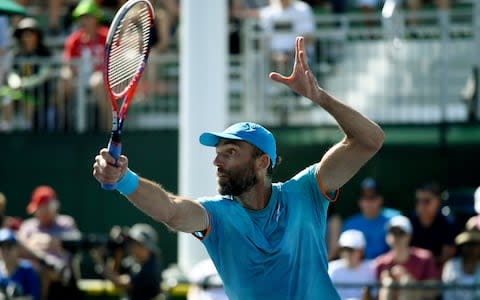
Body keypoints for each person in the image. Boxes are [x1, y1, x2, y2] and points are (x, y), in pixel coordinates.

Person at [93, 36, 385, 299]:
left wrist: (320, 97)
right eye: (218, 153)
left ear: (262, 162)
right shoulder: (216, 215)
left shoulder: (306, 190)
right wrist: (124, 179)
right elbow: (170, 209)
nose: (217, 161)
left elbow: (369, 140)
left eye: (230, 152)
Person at [17, 185, 82, 300]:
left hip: (61, 280)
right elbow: (19, 248)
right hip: (31, 278)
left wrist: (38, 241)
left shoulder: (66, 223)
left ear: (53, 207)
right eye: (38, 208)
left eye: (43, 207)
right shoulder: (28, 226)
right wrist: (49, 243)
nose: (39, 212)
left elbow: (75, 244)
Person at [57, 0, 109, 131]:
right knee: (63, 80)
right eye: (81, 18)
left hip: (102, 79)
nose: (84, 21)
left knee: (96, 82)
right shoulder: (74, 39)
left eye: (87, 17)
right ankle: (63, 124)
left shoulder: (107, 36)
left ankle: (108, 128)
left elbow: (115, 60)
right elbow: (68, 64)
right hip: (78, 78)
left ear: (96, 18)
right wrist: (69, 73)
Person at [2, 17, 54, 132]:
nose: (27, 37)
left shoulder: (45, 53)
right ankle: (7, 127)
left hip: (40, 94)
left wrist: (24, 83)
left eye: (30, 33)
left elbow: (43, 75)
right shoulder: (17, 54)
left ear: (37, 36)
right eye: (24, 34)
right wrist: (14, 81)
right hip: (19, 92)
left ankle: (27, 128)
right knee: (7, 99)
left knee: (28, 102)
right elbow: (12, 72)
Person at [375, 215, 439, 300]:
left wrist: (409, 280)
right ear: (387, 236)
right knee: (388, 283)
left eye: (400, 232)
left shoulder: (425, 258)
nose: (396, 237)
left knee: (406, 283)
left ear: (409, 236)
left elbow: (433, 292)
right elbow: (373, 294)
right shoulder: (380, 262)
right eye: (393, 232)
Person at [94, 223, 163, 300]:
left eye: (134, 242)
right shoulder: (134, 262)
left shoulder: (150, 269)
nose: (130, 245)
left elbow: (119, 283)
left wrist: (99, 260)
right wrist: (117, 249)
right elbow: (115, 273)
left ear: (145, 246)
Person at [342, 177, 398, 260]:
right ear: (359, 201)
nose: (369, 202)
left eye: (373, 197)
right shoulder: (350, 224)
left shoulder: (394, 219)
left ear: (380, 199)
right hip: (359, 268)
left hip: (387, 266)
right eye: (365, 197)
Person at [408, 181, 458, 270]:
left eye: (426, 201)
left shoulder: (448, 224)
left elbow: (446, 258)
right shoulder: (409, 222)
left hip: (439, 273)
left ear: (438, 201)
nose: (421, 205)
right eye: (418, 201)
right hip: (413, 271)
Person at [328, 229, 376, 300]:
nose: (347, 253)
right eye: (344, 249)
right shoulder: (331, 268)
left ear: (361, 251)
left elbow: (374, 295)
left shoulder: (371, 268)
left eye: (351, 250)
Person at [0, 228, 41, 300]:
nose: (5, 251)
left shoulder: (27, 269)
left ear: (16, 248)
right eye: (2, 247)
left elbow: (34, 296)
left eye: (9, 247)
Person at [442, 230, 480, 300]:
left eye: (475, 245)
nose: (471, 249)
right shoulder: (451, 265)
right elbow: (447, 293)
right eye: (468, 245)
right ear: (462, 247)